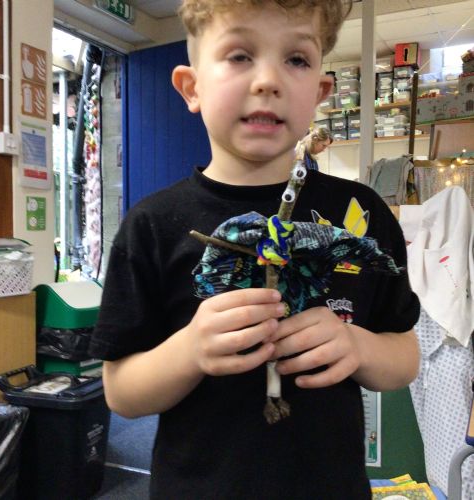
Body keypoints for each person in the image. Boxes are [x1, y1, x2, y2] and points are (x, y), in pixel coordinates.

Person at [89, 1, 420, 498]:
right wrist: (191, 349)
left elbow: (404, 357)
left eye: (296, 59)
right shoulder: (152, 226)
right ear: (192, 87)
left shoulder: (362, 212)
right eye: (240, 55)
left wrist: (357, 346)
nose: (268, 80)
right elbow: (121, 393)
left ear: (320, 92)